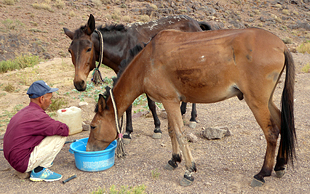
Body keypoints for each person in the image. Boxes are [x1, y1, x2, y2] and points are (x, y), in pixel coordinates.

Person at [3, 80, 69, 182]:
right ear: (41, 99)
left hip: (13, 159)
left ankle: (35, 164)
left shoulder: (24, 112)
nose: (51, 102)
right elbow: (64, 129)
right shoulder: (38, 116)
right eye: (50, 98)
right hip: (22, 163)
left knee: (49, 132)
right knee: (60, 136)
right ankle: (39, 170)